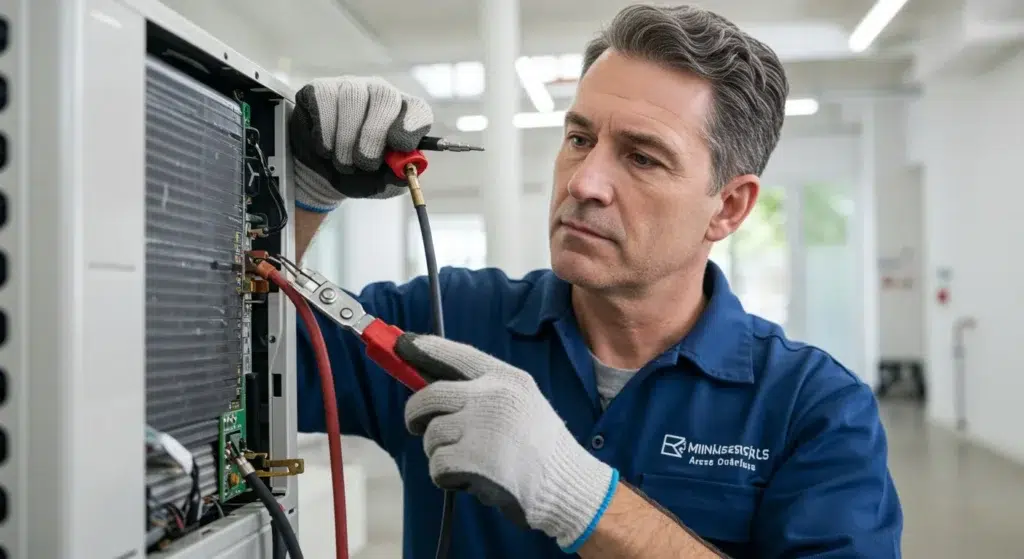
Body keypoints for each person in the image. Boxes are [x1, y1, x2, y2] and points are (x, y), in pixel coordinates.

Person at [288, 4, 903, 558]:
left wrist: (580, 498)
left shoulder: (813, 408)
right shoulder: (446, 319)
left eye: (642, 157)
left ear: (728, 207)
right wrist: (303, 198)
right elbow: (248, 367)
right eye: (580, 139)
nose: (584, 182)